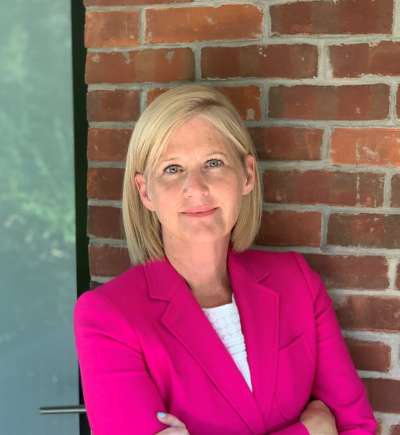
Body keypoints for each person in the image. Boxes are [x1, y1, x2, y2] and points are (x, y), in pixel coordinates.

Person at [73, 84, 378, 435]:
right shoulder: (108, 317)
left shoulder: (297, 282)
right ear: (145, 192)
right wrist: (310, 431)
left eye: (213, 163)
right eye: (172, 169)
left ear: (247, 175)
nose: (197, 187)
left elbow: (357, 427)